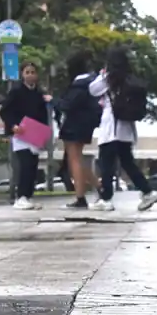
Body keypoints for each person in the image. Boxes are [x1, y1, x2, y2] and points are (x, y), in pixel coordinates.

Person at [89, 47, 157, 212]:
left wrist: (102, 74)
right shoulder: (130, 79)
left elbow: (92, 90)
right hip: (126, 129)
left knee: (106, 164)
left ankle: (106, 198)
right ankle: (147, 191)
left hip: (111, 128)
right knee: (128, 163)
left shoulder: (109, 79)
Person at [0, 61, 48, 211]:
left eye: (33, 72)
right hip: (20, 133)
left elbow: (43, 116)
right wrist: (13, 125)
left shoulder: (39, 94)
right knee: (25, 165)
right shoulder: (16, 91)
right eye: (27, 72)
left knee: (33, 166)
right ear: (22, 74)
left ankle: (28, 196)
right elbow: (5, 111)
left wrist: (43, 134)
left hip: (35, 134)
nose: (30, 75)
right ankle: (20, 197)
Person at [56, 51, 102, 209]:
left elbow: (67, 105)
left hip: (74, 124)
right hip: (85, 123)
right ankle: (99, 187)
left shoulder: (79, 85)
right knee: (78, 159)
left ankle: (81, 196)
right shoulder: (91, 82)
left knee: (74, 159)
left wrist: (55, 101)